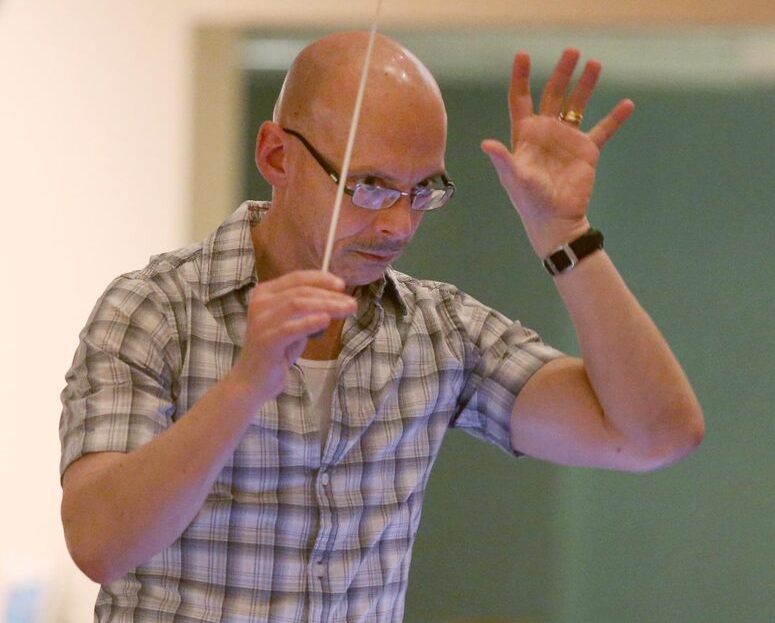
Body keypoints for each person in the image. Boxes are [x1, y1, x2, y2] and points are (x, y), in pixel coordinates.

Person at [59, 31, 704, 623]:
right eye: (368, 185)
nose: (399, 224)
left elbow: (654, 435)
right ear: (277, 154)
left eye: (423, 190)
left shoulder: (437, 329)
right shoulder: (154, 310)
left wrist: (563, 233)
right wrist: (245, 385)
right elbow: (98, 546)